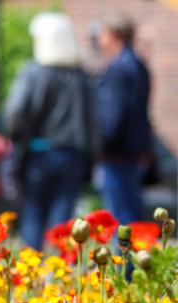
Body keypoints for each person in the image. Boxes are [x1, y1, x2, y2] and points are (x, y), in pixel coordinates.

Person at [3, 13, 98, 249]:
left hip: (40, 154)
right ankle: (60, 273)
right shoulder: (80, 77)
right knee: (63, 219)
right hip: (72, 155)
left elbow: (14, 113)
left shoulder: (33, 72)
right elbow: (92, 123)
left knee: (33, 211)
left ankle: (31, 273)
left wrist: (17, 136)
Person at [94, 13, 152, 225]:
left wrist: (99, 146)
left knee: (121, 217)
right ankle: (138, 257)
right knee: (132, 212)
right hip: (135, 150)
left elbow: (112, 116)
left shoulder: (117, 69)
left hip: (116, 152)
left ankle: (124, 260)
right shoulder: (138, 65)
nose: (99, 40)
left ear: (113, 35)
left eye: (102, 34)